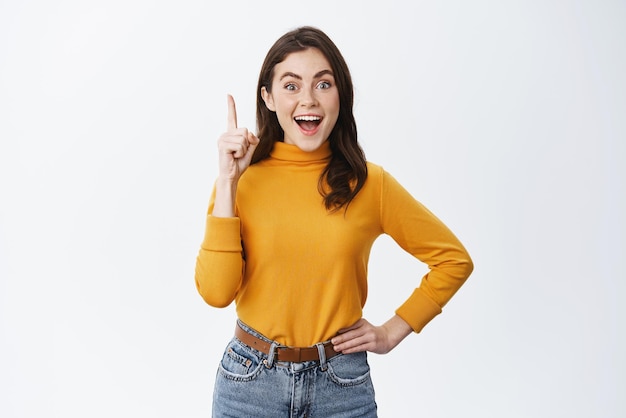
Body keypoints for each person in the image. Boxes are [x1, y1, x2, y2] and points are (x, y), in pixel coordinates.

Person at [195, 26, 473, 417]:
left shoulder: (369, 183)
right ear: (268, 97)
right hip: (249, 384)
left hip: (341, 387)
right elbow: (216, 292)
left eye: (323, 84)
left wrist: (393, 330)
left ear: (340, 94)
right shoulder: (240, 180)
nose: (308, 99)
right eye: (291, 86)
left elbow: (453, 260)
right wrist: (227, 181)